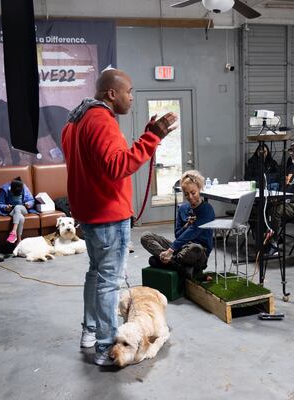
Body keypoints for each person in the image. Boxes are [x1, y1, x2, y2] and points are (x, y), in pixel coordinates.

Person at [61, 68, 177, 366]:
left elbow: (97, 165)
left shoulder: (76, 121)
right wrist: (152, 138)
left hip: (91, 213)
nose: (132, 97)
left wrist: (147, 135)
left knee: (96, 275)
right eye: (129, 91)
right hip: (107, 215)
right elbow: (117, 166)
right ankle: (104, 346)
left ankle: (90, 332)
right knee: (109, 282)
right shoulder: (100, 119)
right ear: (111, 93)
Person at [141, 170, 215, 282]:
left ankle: (167, 261)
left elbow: (194, 231)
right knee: (146, 236)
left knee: (195, 248)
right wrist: (187, 224)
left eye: (193, 192)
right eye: (186, 194)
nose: (190, 197)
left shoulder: (207, 209)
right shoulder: (183, 209)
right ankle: (183, 269)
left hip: (198, 253)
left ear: (199, 189)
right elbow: (177, 234)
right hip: (180, 249)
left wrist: (170, 251)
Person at [0, 178, 37, 244]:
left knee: (17, 207)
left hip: (23, 209)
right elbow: (0, 203)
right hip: (11, 211)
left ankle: (13, 231)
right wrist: (5, 207)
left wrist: (29, 204)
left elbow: (31, 200)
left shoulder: (24, 188)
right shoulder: (4, 189)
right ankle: (18, 241)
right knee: (21, 218)